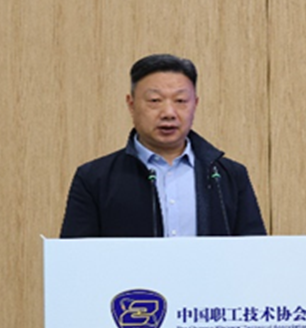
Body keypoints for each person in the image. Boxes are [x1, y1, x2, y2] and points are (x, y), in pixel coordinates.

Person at [60, 53, 266, 238]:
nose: (168, 113)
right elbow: (75, 258)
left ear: (195, 104)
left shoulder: (228, 176)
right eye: (155, 100)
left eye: (180, 101)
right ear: (131, 104)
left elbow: (254, 253)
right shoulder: (94, 178)